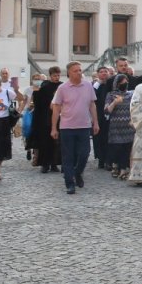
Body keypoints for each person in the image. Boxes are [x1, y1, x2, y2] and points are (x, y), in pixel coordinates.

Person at [50, 61, 99, 195]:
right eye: (75, 71)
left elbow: (92, 105)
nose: (79, 73)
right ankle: (70, 183)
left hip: (84, 126)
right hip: (67, 127)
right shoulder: (62, 88)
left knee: (85, 153)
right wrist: (54, 128)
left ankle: (77, 173)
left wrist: (95, 122)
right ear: (69, 73)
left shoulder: (88, 86)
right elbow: (56, 108)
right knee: (68, 156)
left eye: (80, 70)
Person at [30, 67, 62, 172]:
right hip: (46, 117)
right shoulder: (45, 87)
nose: (56, 77)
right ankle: (45, 164)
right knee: (46, 142)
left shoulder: (62, 86)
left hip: (59, 117)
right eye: (54, 76)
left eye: (58, 75)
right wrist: (36, 91)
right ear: (50, 76)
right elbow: (38, 102)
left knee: (56, 142)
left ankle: (54, 163)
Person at [104, 75, 134, 179]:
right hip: (116, 127)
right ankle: (115, 166)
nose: (124, 84)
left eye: (126, 82)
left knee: (126, 149)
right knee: (116, 148)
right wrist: (115, 102)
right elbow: (106, 111)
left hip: (128, 127)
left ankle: (123, 170)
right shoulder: (110, 95)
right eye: (122, 83)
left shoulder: (131, 94)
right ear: (116, 84)